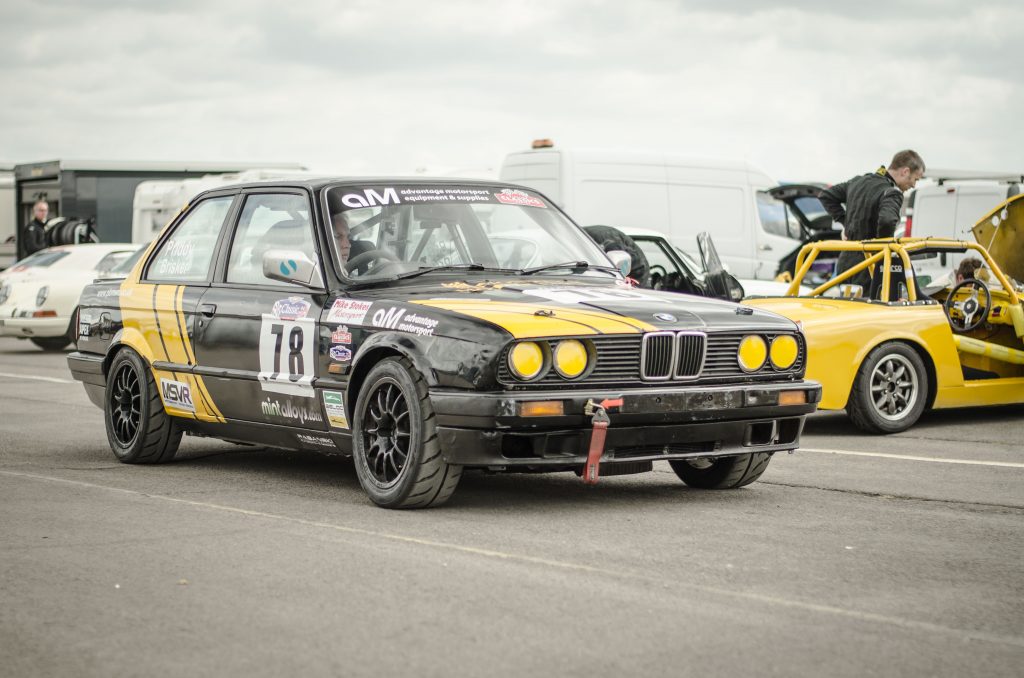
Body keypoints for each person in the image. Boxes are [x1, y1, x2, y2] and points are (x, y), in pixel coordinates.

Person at [820, 150, 925, 288]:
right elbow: (887, 220)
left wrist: (846, 223)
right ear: (905, 171)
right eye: (915, 179)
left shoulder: (857, 182)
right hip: (869, 268)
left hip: (845, 265)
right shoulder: (892, 193)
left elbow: (826, 195)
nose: (914, 185)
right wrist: (882, 252)